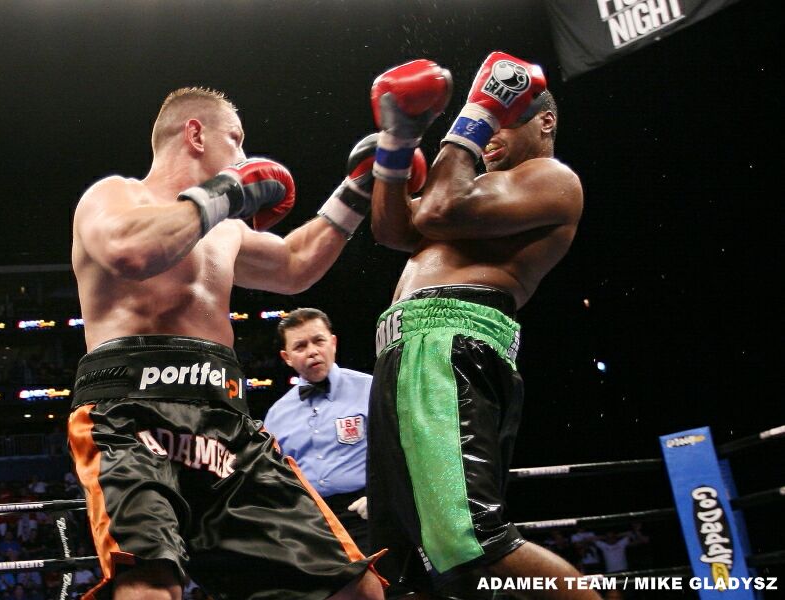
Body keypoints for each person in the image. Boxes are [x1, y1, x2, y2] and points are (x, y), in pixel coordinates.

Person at [68, 87, 400, 600]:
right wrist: (226, 190)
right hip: (129, 415)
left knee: (355, 588)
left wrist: (356, 189)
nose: (245, 156)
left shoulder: (224, 229)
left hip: (225, 420)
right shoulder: (115, 196)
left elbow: (294, 265)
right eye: (236, 139)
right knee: (151, 587)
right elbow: (129, 250)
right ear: (196, 134)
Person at [366, 53, 591, 598]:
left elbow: (435, 211)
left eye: (504, 122)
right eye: (491, 123)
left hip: (447, 349)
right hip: (411, 355)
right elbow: (393, 229)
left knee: (469, 544)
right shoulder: (476, 196)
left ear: (545, 122)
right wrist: (397, 143)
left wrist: (478, 111)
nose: (490, 136)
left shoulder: (551, 180)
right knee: (405, 567)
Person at [264, 308, 372, 551]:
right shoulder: (276, 415)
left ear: (333, 343)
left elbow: (398, 451)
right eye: (300, 346)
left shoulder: (370, 389)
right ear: (287, 357)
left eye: (318, 341)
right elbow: (274, 478)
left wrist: (383, 497)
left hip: (365, 513)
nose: (312, 351)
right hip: (309, 524)